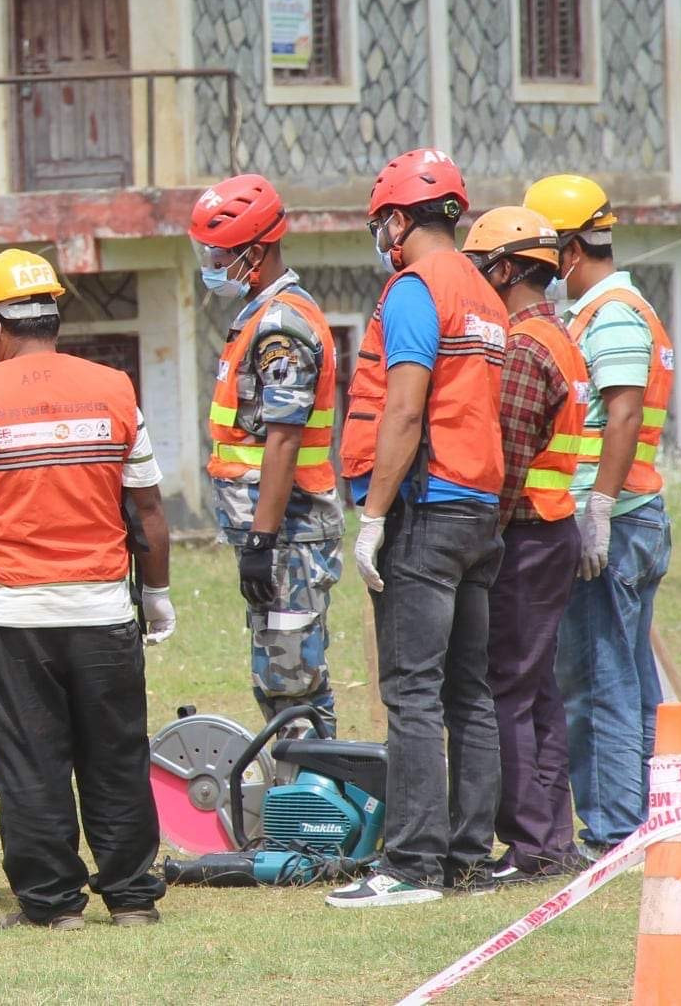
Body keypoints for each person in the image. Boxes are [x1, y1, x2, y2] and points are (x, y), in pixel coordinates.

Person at [0, 248, 174, 932]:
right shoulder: (114, 389)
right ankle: (132, 898)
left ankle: (55, 905)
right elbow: (148, 507)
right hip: (104, 610)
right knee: (116, 754)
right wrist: (156, 593)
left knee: (31, 761)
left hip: (15, 618)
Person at [328, 149, 506, 909]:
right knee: (470, 693)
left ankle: (411, 865)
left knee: (412, 692)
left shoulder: (415, 289)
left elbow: (404, 409)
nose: (382, 238)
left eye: (382, 224)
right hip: (478, 510)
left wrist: (372, 518)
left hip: (425, 511)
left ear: (399, 220)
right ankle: (468, 856)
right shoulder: (485, 294)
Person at [526, 173, 677, 861]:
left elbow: (623, 412)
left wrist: (598, 509)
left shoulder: (610, 314)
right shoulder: (618, 307)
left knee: (597, 679)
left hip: (613, 521)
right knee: (631, 679)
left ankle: (615, 827)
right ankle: (643, 816)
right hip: (635, 515)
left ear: (568, 250)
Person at [460, 207, 591, 883]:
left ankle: (529, 842)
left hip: (526, 533)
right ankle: (554, 837)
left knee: (506, 688)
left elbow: (508, 460)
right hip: (554, 527)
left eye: (482, 267)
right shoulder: (559, 336)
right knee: (537, 688)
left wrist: (479, 539)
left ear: (506, 269)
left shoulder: (520, 348)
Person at [189, 175, 343, 731]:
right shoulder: (260, 317)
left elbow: (284, 438)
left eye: (218, 254)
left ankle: (315, 786)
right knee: (278, 678)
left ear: (254, 254)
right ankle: (296, 783)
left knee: (292, 682)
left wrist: (262, 538)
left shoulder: (281, 328)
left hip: (289, 534)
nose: (210, 265)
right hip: (278, 534)